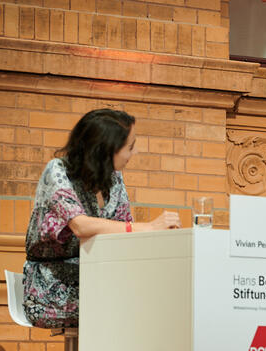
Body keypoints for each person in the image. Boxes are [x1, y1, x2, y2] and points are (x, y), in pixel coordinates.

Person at [23, 108, 181, 328]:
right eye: (130, 147)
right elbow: (80, 225)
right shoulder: (57, 171)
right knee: (138, 308)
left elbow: (124, 232)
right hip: (51, 287)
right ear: (106, 150)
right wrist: (149, 227)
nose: (133, 154)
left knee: (165, 296)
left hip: (97, 278)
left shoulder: (114, 179)